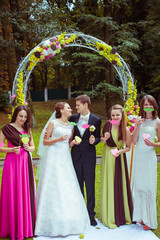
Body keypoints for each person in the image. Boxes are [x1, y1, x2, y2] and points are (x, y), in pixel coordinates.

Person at [35, 102, 90, 237]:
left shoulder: (71, 126)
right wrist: (58, 139)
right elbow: (45, 142)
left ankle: (69, 219)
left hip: (65, 158)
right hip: (53, 157)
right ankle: (48, 220)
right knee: (53, 185)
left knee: (67, 185)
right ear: (61, 110)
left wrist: (72, 143)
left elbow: (68, 143)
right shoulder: (53, 123)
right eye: (68, 108)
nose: (71, 109)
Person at [0, 105, 36, 240]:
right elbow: (0, 146)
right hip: (12, 162)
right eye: (21, 116)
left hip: (24, 163)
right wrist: (10, 150)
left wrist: (29, 147)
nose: (23, 119)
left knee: (24, 192)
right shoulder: (6, 128)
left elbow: (33, 147)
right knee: (12, 191)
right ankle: (11, 227)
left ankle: (24, 227)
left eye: (25, 117)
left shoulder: (27, 129)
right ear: (15, 115)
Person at [70, 95, 101, 226]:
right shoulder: (73, 118)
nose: (75, 107)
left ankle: (90, 214)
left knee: (90, 185)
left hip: (89, 156)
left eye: (78, 105)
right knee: (78, 185)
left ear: (86, 105)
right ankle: (79, 213)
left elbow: (98, 136)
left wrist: (95, 141)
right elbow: (69, 134)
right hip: (76, 155)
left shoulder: (96, 120)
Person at [99, 104, 133, 229]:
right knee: (108, 183)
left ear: (122, 115)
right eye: (113, 115)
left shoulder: (126, 129)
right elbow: (102, 141)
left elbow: (128, 147)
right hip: (107, 156)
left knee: (117, 184)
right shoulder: (107, 125)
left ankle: (119, 213)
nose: (115, 117)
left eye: (117, 115)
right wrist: (104, 138)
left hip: (118, 157)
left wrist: (119, 152)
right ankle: (108, 213)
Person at [132, 95, 160, 230]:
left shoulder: (157, 122)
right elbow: (133, 141)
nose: (148, 107)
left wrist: (153, 144)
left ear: (154, 106)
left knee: (149, 187)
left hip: (149, 157)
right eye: (145, 104)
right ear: (142, 106)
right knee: (139, 186)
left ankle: (150, 220)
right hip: (139, 156)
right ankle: (141, 217)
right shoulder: (139, 120)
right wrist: (137, 126)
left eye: (150, 104)